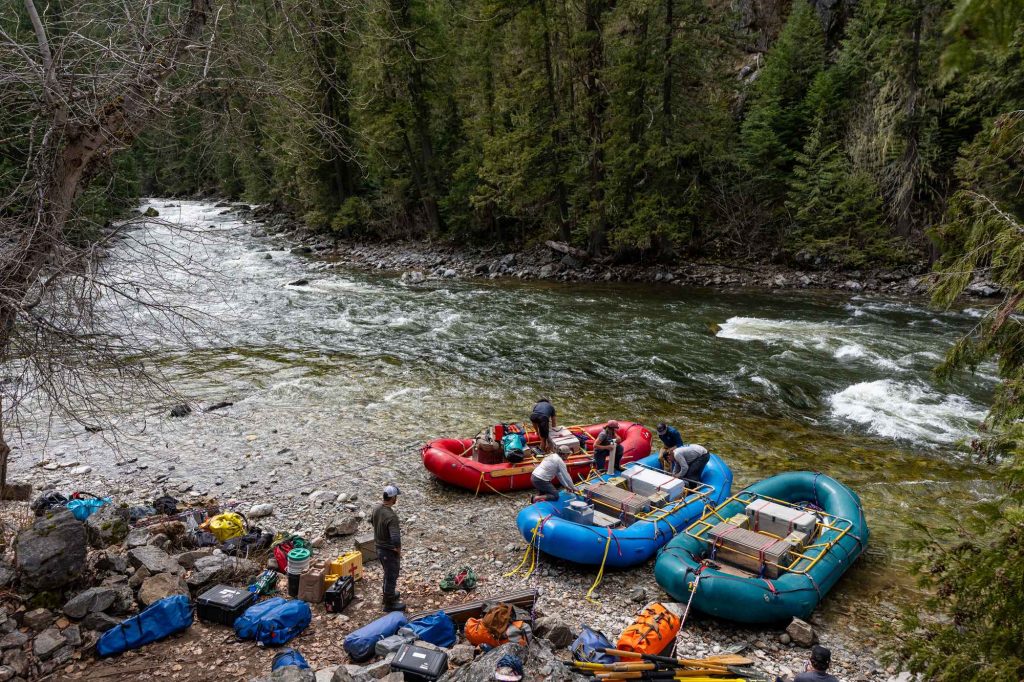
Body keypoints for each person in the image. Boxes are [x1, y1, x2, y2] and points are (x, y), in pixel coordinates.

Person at [371, 484, 405, 612]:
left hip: (378, 547)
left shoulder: (376, 508)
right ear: (392, 498)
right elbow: (395, 537)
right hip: (388, 550)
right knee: (392, 574)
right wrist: (397, 549)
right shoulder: (391, 516)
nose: (396, 499)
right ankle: (389, 604)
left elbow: (371, 521)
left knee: (387, 572)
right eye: (396, 497)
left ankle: (388, 595)